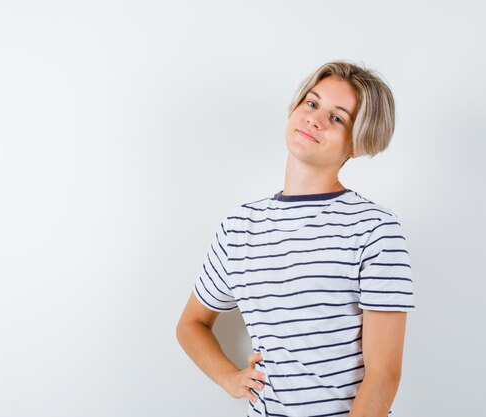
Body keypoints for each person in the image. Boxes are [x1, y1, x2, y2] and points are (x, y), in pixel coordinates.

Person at [176, 60, 416, 417]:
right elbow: (191, 325)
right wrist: (229, 378)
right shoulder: (240, 226)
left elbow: (384, 375)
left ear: (357, 142)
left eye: (338, 118)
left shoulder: (374, 229)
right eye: (312, 103)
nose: (315, 119)